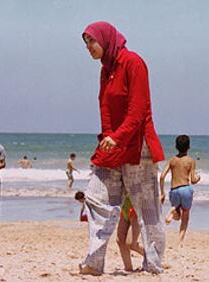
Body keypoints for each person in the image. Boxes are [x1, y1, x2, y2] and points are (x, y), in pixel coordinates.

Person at [79, 21, 165, 275]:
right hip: (113, 145)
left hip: (139, 146)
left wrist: (118, 137)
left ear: (105, 39)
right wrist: (108, 137)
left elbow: (138, 110)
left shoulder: (133, 62)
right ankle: (94, 262)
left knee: (147, 207)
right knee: (95, 198)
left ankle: (153, 263)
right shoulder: (105, 71)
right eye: (86, 43)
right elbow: (104, 108)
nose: (89, 48)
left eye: (92, 41)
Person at [160, 135, 200, 245]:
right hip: (186, 189)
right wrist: (198, 178)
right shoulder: (191, 161)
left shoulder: (172, 160)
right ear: (189, 147)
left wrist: (162, 193)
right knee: (185, 215)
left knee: (177, 215)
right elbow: (193, 180)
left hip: (174, 190)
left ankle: (173, 210)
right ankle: (180, 240)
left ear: (176, 146)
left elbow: (162, 176)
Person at [117, 194, 144, 271]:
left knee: (131, 243)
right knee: (120, 241)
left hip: (135, 207)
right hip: (124, 207)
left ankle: (155, 260)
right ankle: (128, 268)